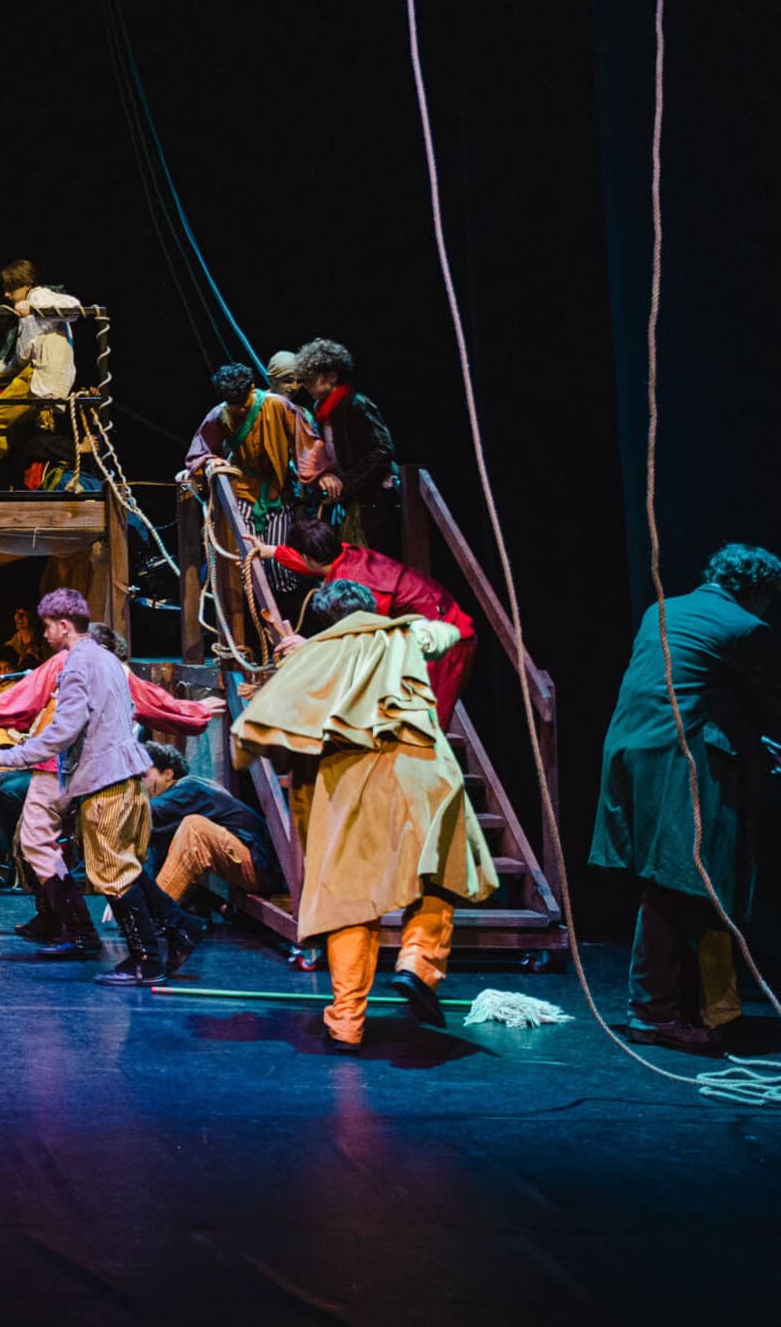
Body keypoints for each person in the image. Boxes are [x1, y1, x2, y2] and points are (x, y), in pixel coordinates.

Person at [590, 544, 781, 1053]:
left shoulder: (662, 609)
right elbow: (776, 701)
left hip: (631, 747)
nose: (767, 609)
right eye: (769, 599)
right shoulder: (744, 627)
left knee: (676, 879)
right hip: (675, 758)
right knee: (676, 881)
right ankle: (653, 1014)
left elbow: (687, 688)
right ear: (756, 590)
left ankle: (691, 1006)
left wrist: (749, 741)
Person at [233, 579, 498, 1051]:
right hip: (422, 770)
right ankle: (418, 963)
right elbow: (449, 633)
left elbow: (264, 722)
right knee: (439, 871)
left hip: (351, 779)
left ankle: (346, 1022)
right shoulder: (403, 634)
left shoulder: (314, 654)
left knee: (349, 900)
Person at [0, 589, 189, 984]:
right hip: (126, 775)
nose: (45, 635)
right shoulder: (108, 660)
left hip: (107, 780)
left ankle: (146, 958)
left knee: (112, 871)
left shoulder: (77, 665)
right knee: (125, 867)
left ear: (64, 625)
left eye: (47, 627)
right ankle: (180, 930)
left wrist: (10, 756)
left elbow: (63, 731)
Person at [254, 512, 476, 725]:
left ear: (307, 557)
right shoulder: (344, 554)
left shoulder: (352, 591)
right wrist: (272, 551)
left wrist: (309, 646)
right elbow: (313, 562)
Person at [0, 260, 82, 483]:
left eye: (11, 288)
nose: (7, 294)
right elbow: (17, 362)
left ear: (26, 285)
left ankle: (0, 483)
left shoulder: (39, 296)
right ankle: (6, 481)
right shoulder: (24, 315)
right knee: (11, 433)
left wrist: (35, 307)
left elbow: (74, 307)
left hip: (39, 375)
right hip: (30, 373)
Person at [181, 362, 325, 540]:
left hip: (278, 493)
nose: (241, 408)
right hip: (242, 495)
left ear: (252, 387)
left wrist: (321, 475)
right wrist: (210, 460)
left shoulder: (278, 405)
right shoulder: (220, 414)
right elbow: (199, 451)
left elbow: (307, 444)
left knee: (276, 554)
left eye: (244, 402)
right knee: (246, 552)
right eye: (235, 404)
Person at [143, 742, 284, 914]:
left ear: (168, 774)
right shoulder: (184, 796)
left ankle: (153, 916)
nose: (140, 784)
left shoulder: (188, 789)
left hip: (261, 866)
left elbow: (148, 813)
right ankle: (154, 915)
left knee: (194, 828)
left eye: (144, 775)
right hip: (253, 864)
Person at [294, 339, 400, 549]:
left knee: (372, 556)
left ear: (332, 377)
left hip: (373, 500)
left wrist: (344, 485)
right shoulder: (321, 410)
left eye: (311, 379)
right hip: (351, 501)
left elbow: (382, 450)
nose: (305, 385)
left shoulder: (356, 404)